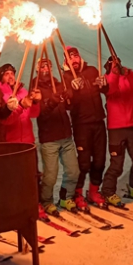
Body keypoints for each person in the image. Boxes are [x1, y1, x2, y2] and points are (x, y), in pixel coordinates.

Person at [101, 57, 133, 207]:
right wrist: (115, 73)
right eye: (114, 65)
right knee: (117, 164)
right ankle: (108, 191)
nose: (117, 66)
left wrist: (127, 72)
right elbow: (111, 88)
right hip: (115, 129)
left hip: (131, 126)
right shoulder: (106, 79)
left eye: (119, 63)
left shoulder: (126, 77)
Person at [62, 46, 109, 208]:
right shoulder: (66, 77)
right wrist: (72, 90)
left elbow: (105, 91)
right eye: (69, 58)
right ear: (66, 61)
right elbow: (67, 103)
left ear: (79, 57)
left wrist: (104, 85)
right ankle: (78, 193)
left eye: (75, 56)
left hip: (98, 122)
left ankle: (94, 192)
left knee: (100, 161)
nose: (73, 60)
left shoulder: (92, 70)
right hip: (81, 124)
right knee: (84, 163)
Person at [33, 58, 80, 213]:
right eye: (42, 66)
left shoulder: (58, 83)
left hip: (65, 135)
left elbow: (68, 106)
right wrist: (51, 102)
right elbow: (40, 114)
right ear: (37, 69)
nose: (45, 68)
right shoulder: (35, 88)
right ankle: (46, 201)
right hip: (49, 139)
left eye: (48, 65)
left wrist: (69, 97)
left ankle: (66, 197)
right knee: (51, 175)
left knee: (73, 171)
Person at [0, 63, 41, 143]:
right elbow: (6, 121)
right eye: (6, 74)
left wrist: (35, 102)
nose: (10, 76)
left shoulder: (23, 92)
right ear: (1, 78)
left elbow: (33, 114)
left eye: (12, 74)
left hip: (28, 141)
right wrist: (21, 105)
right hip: (11, 143)